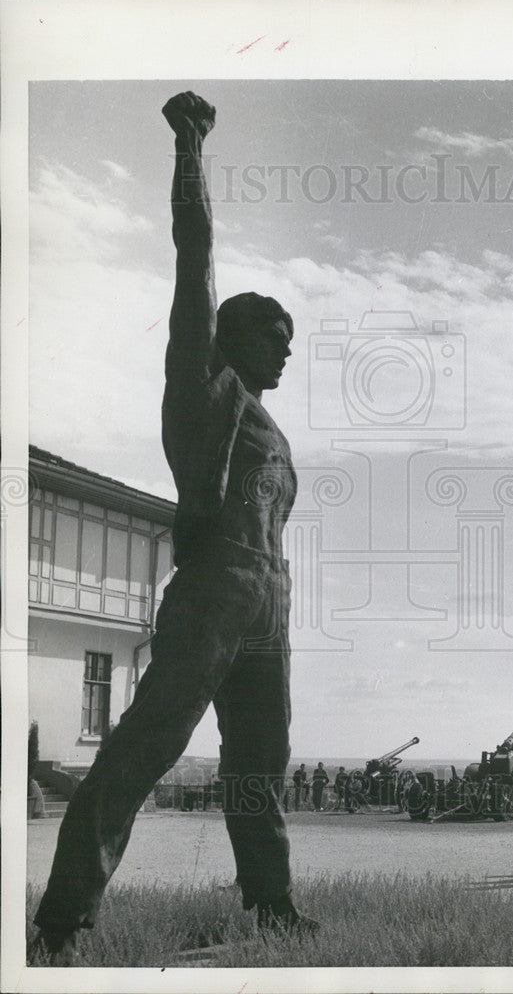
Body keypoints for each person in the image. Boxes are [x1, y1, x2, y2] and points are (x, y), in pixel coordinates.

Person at [32, 91, 315, 961]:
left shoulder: (272, 426)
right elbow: (195, 257)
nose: (285, 349)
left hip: (269, 602)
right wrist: (189, 145)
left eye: (290, 338)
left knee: (259, 768)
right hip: (213, 588)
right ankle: (64, 918)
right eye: (272, 334)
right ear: (229, 338)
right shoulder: (204, 389)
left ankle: (270, 907)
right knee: (143, 751)